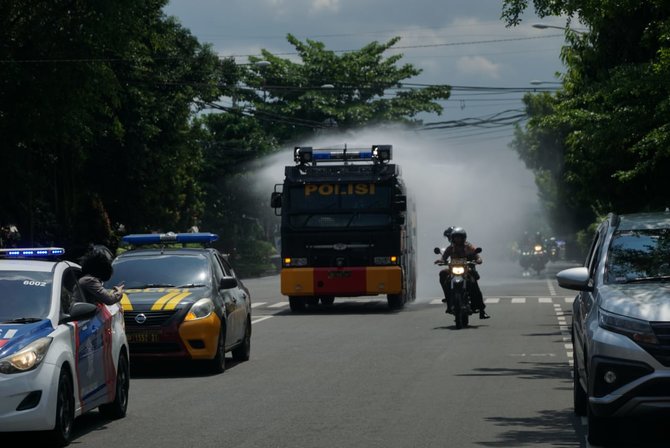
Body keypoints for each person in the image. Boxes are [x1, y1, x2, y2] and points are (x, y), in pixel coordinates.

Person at [435, 227, 490, 319]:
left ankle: (482, 310)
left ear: (463, 238)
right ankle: (448, 298)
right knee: (442, 273)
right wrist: (440, 261)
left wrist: (478, 260)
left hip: (467, 270)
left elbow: (477, 256)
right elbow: (444, 257)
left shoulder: (468, 246)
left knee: (474, 285)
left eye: (459, 237)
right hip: (453, 270)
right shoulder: (450, 248)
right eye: (456, 237)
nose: (458, 239)